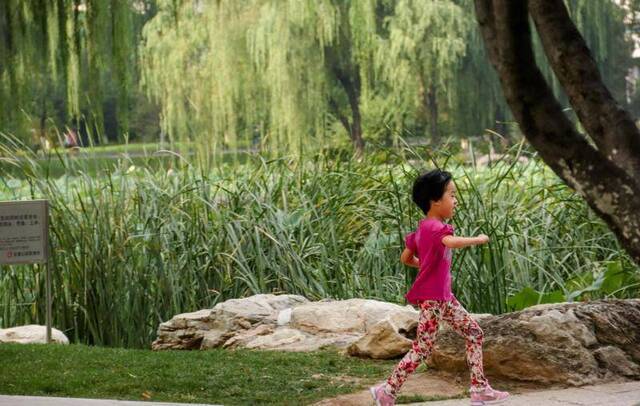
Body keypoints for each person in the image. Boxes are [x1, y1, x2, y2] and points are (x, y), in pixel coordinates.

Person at [370, 169, 510, 406]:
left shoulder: (421, 230)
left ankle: (479, 389)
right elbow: (450, 242)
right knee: (423, 348)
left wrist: (425, 265)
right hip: (435, 300)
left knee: (474, 333)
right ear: (435, 201)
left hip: (444, 299)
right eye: (451, 195)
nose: (455, 201)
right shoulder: (436, 228)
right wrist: (477, 239)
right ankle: (387, 391)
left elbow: (406, 258)